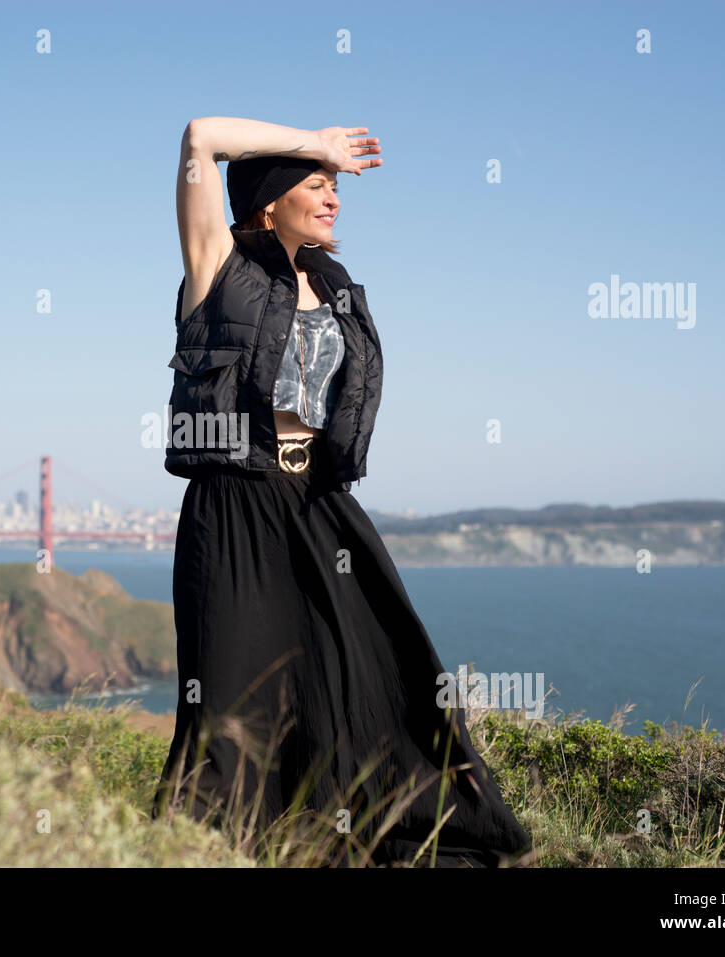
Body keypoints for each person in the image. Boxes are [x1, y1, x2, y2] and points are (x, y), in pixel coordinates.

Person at [150, 117, 534, 868]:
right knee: (231, 694)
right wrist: (314, 139)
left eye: (334, 186)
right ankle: (210, 848)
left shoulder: (333, 285)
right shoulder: (216, 264)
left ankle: (377, 825)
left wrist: (313, 161)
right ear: (268, 203)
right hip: (235, 502)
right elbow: (199, 138)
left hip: (318, 500)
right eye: (315, 184)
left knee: (375, 663)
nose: (332, 195)